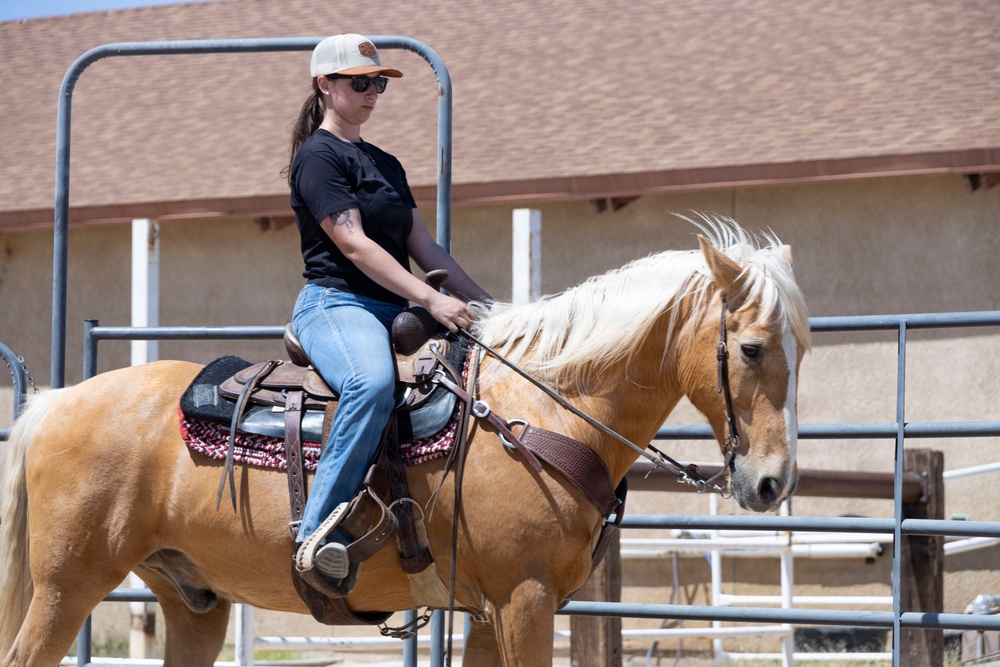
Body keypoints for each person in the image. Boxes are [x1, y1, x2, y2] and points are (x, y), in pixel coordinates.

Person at [285, 33, 492, 586]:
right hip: (336, 303)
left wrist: (491, 308)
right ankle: (314, 536)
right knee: (372, 383)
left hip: (392, 309)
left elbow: (426, 249)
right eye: (360, 82)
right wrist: (430, 297)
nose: (372, 91)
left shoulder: (386, 163)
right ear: (325, 85)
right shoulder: (317, 157)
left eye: (378, 82)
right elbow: (353, 244)